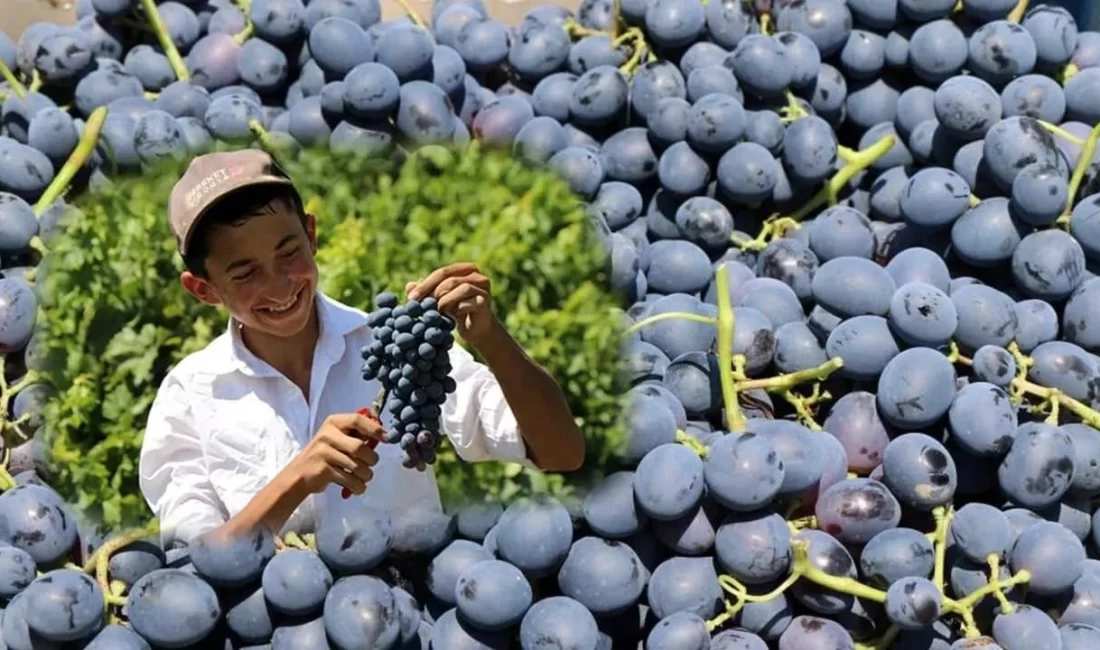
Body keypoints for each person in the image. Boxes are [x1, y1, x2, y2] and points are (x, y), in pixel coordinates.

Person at [138, 149, 586, 548]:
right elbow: (200, 566)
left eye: (289, 252)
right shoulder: (190, 397)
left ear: (311, 236)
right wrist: (298, 478)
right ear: (203, 290)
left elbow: (561, 452)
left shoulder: (396, 346)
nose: (279, 285)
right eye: (245, 273)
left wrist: (490, 338)